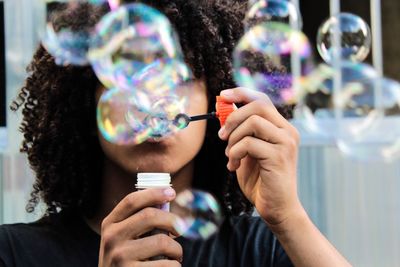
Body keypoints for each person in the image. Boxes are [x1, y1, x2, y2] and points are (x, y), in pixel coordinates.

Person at [0, 0, 352, 266]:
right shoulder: (13, 253)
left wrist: (289, 217)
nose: (154, 100)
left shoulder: (262, 248)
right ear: (83, 106)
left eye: (180, 77)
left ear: (219, 98)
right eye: (130, 75)